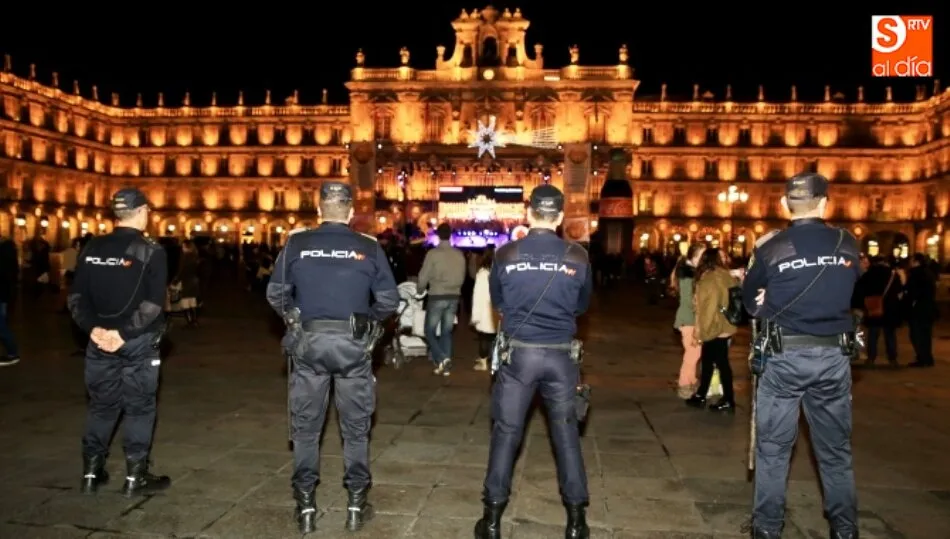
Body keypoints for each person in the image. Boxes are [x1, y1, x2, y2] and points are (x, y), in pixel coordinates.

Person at [266, 181, 399, 535]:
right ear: (351, 211)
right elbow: (388, 299)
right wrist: (367, 323)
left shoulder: (297, 243)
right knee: (356, 429)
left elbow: (276, 293)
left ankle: (306, 506)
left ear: (319, 209)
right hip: (352, 345)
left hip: (309, 342)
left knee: (306, 428)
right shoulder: (367, 248)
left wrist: (294, 318)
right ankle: (356, 504)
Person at [742, 173, 861, 539]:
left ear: (784, 205)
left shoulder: (772, 249)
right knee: (835, 451)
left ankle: (767, 529)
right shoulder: (847, 244)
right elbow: (848, 287)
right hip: (832, 358)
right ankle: (844, 530)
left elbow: (749, 302)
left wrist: (766, 303)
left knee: (774, 450)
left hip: (785, 357)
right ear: (826, 203)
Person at [475, 185, 593, 539]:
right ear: (559, 217)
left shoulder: (506, 254)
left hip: (519, 356)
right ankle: (576, 522)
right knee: (566, 435)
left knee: (506, 434)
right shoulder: (578, 257)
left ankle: (492, 519)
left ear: (529, 214)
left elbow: (497, 301)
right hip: (560, 356)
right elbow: (582, 306)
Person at [67, 187, 171, 497]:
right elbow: (154, 304)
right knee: (139, 408)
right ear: (142, 212)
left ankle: (90, 472)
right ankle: (135, 477)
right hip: (136, 341)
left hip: (98, 341)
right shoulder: (151, 250)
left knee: (101, 407)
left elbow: (75, 298)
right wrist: (123, 333)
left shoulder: (91, 247)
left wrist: (93, 329)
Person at [685, 248, 738, 412]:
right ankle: (702, 395)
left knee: (720, 363)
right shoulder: (725, 274)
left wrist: (702, 332)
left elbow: (707, 308)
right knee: (710, 362)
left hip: (715, 327)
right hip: (725, 325)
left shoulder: (709, 278)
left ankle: (727, 399)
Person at [417, 223, 466, 376]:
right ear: (450, 235)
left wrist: (420, 290)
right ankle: (445, 365)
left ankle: (442, 358)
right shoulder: (459, 254)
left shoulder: (433, 254)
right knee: (447, 331)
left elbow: (423, 276)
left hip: (437, 294)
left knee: (429, 330)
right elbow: (463, 276)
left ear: (438, 235)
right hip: (454, 296)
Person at [850, 256, 901, 366]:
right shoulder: (893, 274)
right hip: (890, 308)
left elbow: (860, 290)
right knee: (890, 335)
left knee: (873, 334)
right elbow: (899, 289)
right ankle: (892, 358)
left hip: (873, 307)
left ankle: (871, 358)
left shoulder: (869, 274)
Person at [670, 244, 705, 398]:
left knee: (694, 353)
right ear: (694, 256)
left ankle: (691, 381)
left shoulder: (689, 272)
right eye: (701, 256)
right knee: (692, 354)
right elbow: (690, 300)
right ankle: (684, 384)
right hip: (689, 319)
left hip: (689, 318)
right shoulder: (688, 275)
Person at [904, 253, 937, 367]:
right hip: (928, 308)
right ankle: (927, 358)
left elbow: (912, 292)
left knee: (917, 334)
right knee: (925, 335)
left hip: (918, 309)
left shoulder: (916, 274)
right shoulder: (928, 273)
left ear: (916, 262)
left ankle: (922, 358)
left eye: (912, 260)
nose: (910, 262)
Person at [469, 247, 497, 372]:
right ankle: (494, 361)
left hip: (485, 309)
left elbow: (477, 295)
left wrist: (475, 316)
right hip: (497, 309)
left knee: (484, 337)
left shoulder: (482, 273)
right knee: (496, 338)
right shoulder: (500, 272)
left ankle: (483, 361)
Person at [0, 235, 20, 366]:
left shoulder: (4, 253)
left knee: (1, 326)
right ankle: (13, 353)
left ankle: (13, 353)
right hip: (4, 293)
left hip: (1, 292)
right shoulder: (9, 253)